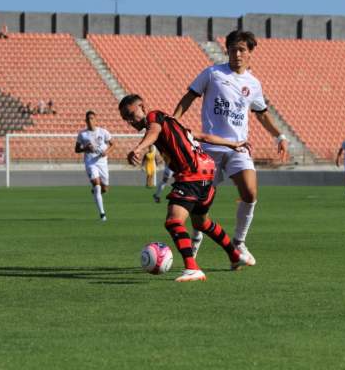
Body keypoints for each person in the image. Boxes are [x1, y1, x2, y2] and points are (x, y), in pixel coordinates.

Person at [119, 94, 255, 282]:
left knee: (173, 222)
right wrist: (233, 143)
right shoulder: (173, 123)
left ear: (142, 106)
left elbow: (153, 131)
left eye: (130, 114)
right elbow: (202, 136)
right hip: (207, 173)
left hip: (192, 174)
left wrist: (139, 148)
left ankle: (192, 268)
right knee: (201, 223)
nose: (129, 121)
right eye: (125, 118)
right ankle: (234, 256)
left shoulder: (154, 117)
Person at [173, 30, 281, 263]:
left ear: (251, 52)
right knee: (199, 201)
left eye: (242, 49)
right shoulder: (212, 73)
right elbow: (189, 97)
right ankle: (196, 237)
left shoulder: (253, 84)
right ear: (227, 50)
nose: (237, 53)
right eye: (233, 49)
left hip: (237, 148)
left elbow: (261, 114)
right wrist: (174, 121)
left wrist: (279, 136)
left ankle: (239, 243)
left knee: (250, 193)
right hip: (209, 148)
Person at [75, 111, 114, 221]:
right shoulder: (82, 134)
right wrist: (85, 149)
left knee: (105, 188)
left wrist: (107, 152)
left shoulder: (103, 132)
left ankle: (96, 192)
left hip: (102, 162)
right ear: (85, 121)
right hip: (90, 162)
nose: (90, 120)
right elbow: (76, 149)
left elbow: (113, 144)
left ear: (96, 120)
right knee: (97, 186)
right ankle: (102, 214)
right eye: (88, 119)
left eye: (92, 118)